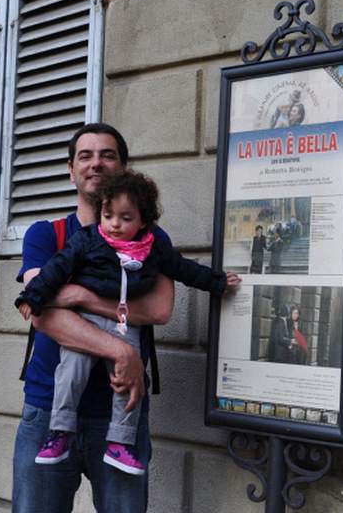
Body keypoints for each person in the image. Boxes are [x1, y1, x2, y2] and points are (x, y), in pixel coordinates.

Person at [16, 170, 240, 476]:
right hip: (87, 321)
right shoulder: (86, 239)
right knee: (71, 370)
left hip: (124, 325)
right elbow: (56, 269)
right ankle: (60, 432)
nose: (115, 224)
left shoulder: (154, 247)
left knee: (126, 380)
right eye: (108, 216)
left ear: (143, 221)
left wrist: (216, 282)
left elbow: (184, 269)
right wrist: (32, 296)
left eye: (125, 218)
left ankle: (120, 443)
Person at [13, 123, 174, 513]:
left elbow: (159, 310)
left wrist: (83, 296)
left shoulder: (153, 239)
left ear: (124, 168)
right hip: (48, 410)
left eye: (107, 155)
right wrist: (122, 351)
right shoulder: (46, 235)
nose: (95, 163)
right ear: (71, 170)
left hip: (121, 413)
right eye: (85, 156)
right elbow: (43, 314)